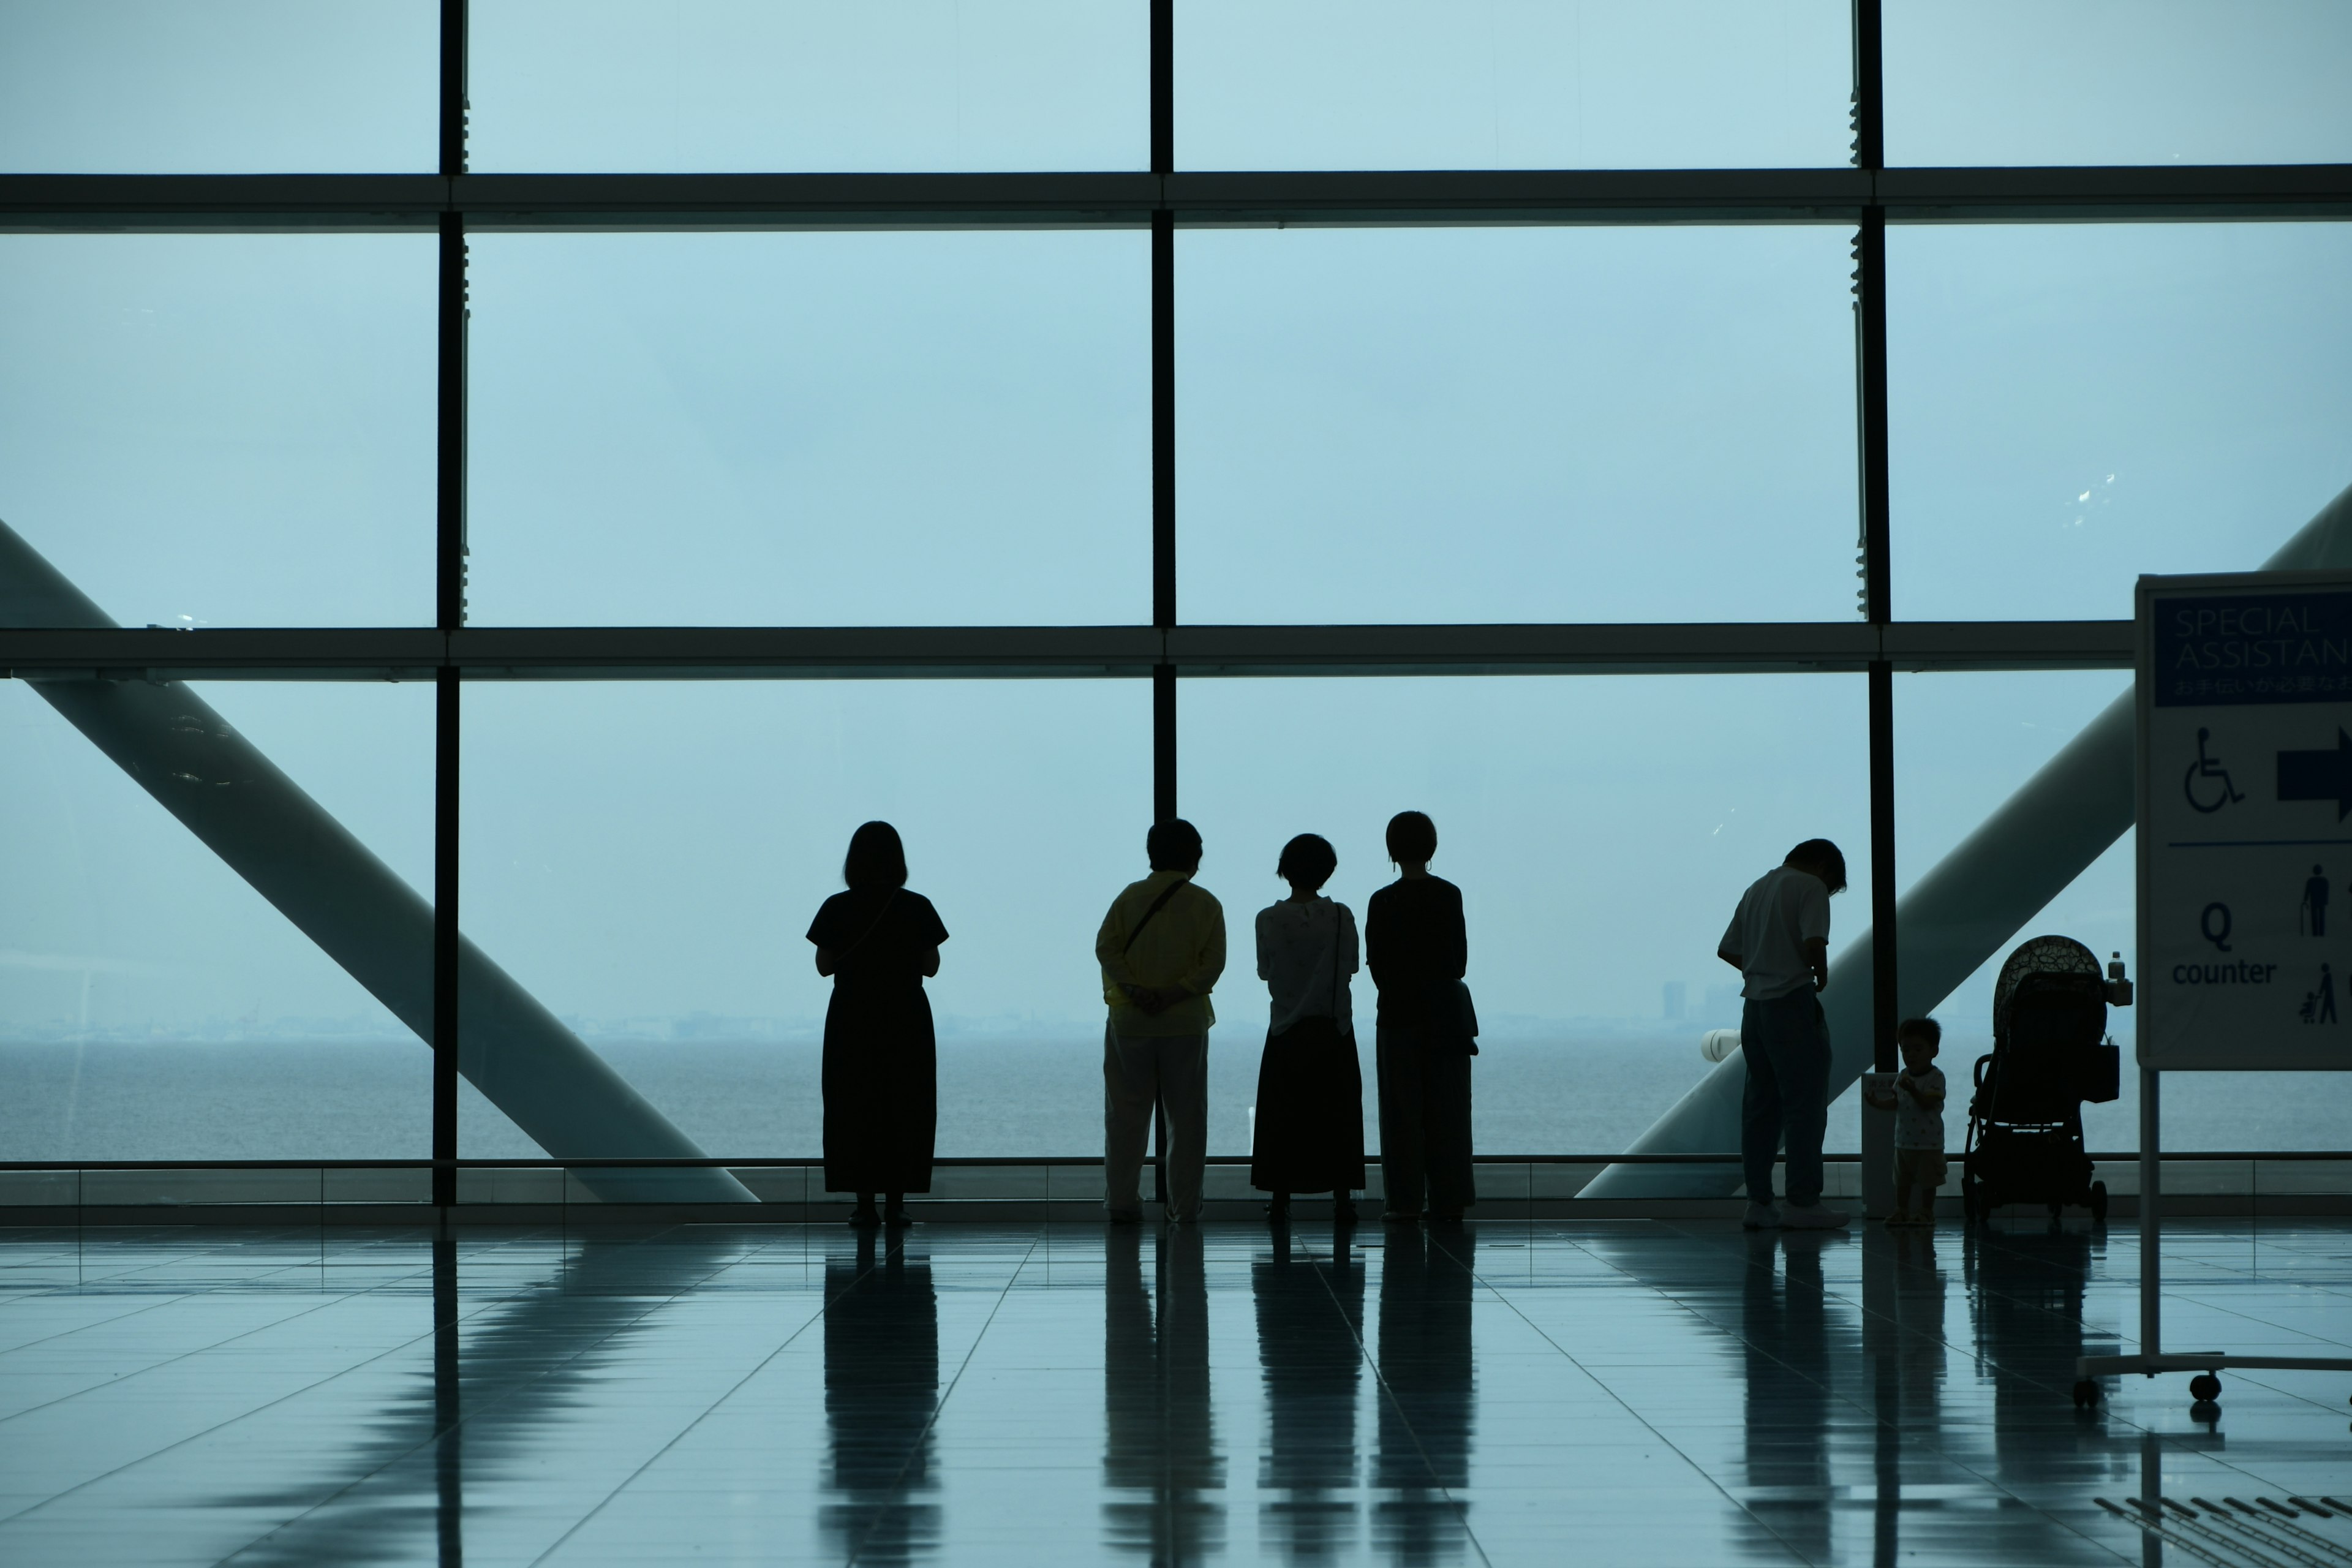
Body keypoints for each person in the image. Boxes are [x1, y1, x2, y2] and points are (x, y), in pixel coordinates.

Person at [807, 821, 948, 1227]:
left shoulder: (836, 907)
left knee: (853, 1107)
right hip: (906, 1018)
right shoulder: (917, 907)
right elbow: (932, 967)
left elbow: (823, 967)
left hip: (851, 1017)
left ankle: (864, 1203)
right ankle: (897, 1202)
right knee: (905, 1106)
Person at [1096, 819, 1226, 1223]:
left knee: (1125, 1115)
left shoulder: (1129, 899)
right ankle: (1184, 1207)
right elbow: (1212, 964)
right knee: (1187, 1119)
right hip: (1184, 1022)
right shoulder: (1206, 904)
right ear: (1194, 857)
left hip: (1131, 1022)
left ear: (1151, 854)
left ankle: (1122, 1202)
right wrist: (1174, 993)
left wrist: (1136, 990)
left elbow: (1106, 949)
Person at [1719, 838, 1850, 1231]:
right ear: (1825, 869)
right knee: (1805, 1106)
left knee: (1760, 1108)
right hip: (1791, 1003)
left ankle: (1759, 1203)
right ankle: (1803, 1202)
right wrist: (1818, 974)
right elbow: (1815, 942)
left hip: (1754, 1009)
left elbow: (1728, 949)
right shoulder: (1809, 887)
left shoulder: (1757, 888)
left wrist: (1761, 966)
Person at [1250, 833, 1367, 1222]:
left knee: (1284, 1116)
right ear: (1327, 871)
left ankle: (1281, 1199)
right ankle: (1342, 1199)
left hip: (1285, 1028)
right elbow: (1351, 965)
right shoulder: (1341, 915)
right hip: (1335, 1029)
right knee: (1338, 1115)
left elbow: (1264, 970)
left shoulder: (1267, 918)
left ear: (1285, 870)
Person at [1366, 810, 1475, 1224]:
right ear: (1432, 848)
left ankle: (1404, 1202)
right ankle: (1450, 1199)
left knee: (1400, 1113)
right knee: (1448, 1111)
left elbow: (1376, 965)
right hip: (1445, 1017)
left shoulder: (1382, 900)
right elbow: (1458, 963)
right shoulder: (1449, 895)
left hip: (1396, 1016)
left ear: (1392, 851)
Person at [1863, 1017, 1948, 1227]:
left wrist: (1913, 1090)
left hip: (1929, 1142)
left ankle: (1926, 1212)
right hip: (1903, 1141)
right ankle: (1901, 1210)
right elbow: (1897, 1102)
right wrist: (1877, 1103)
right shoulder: (1903, 1076)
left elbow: (1929, 1102)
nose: (1911, 1055)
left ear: (1934, 1051)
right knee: (1902, 1180)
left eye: (1918, 1049)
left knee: (1928, 1181)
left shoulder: (1936, 1077)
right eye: (1906, 1050)